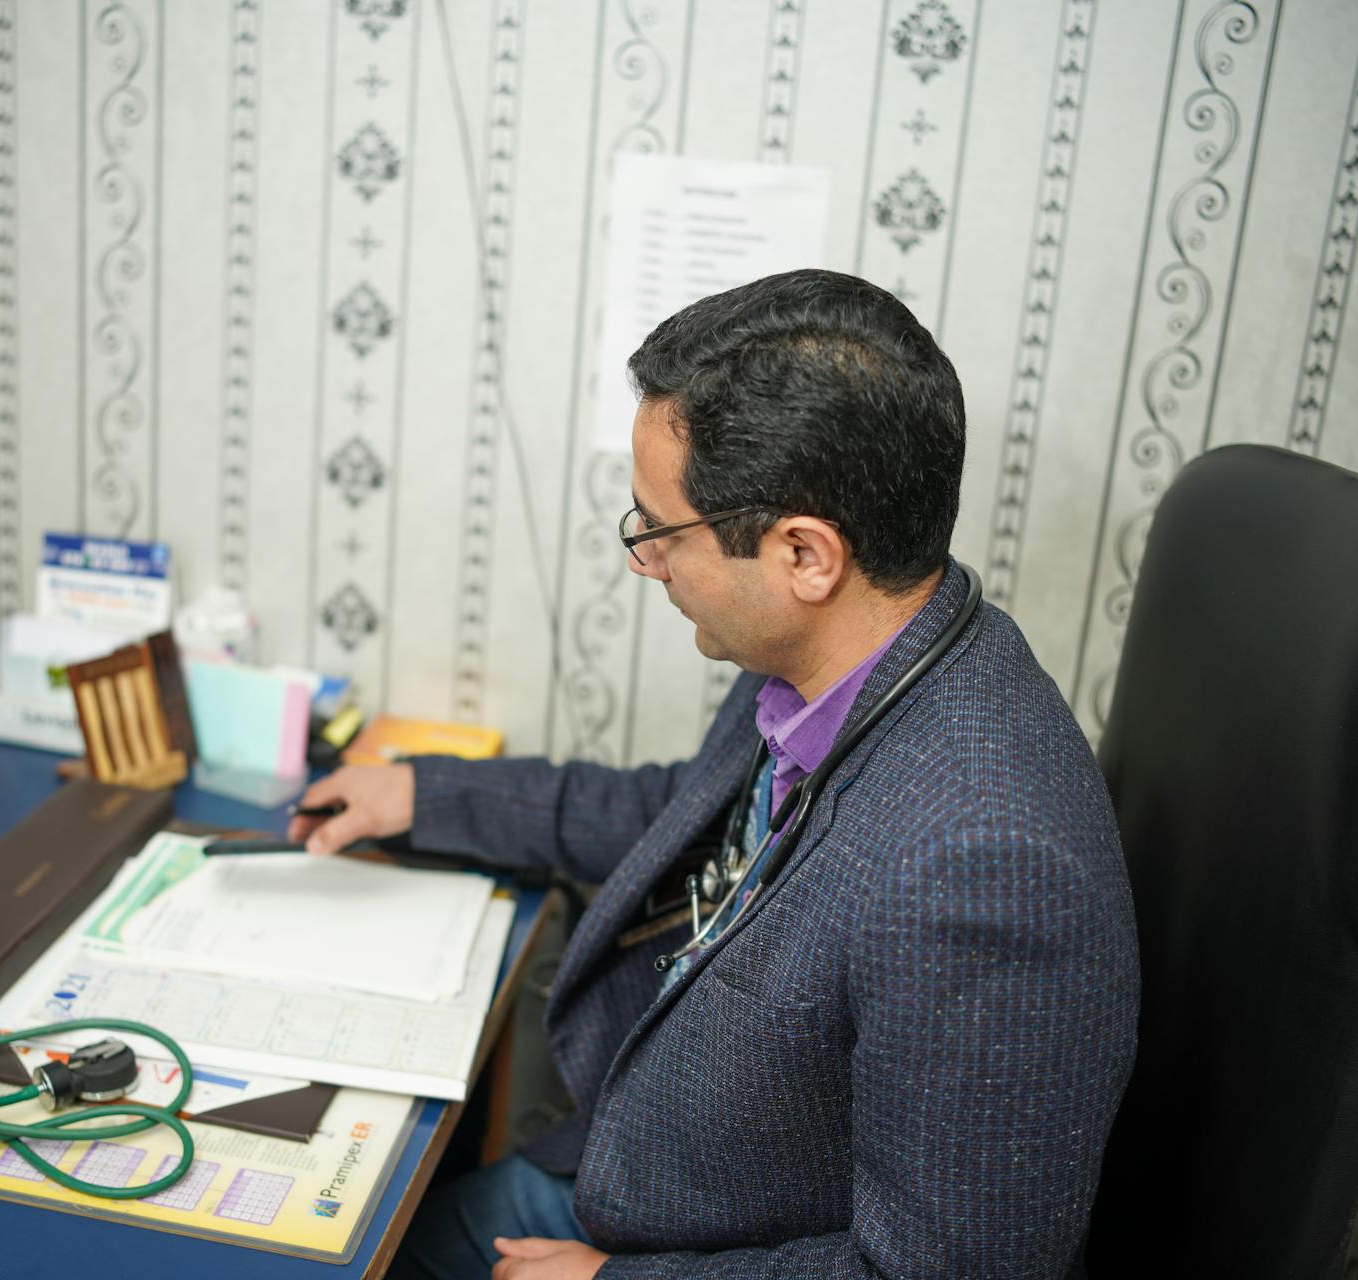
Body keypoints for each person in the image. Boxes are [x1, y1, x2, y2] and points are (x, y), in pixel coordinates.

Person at [289, 269, 1140, 1279]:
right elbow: (682, 816)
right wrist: (428, 793)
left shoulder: (982, 868)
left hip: (700, 1245)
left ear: (804, 554)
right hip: (649, 1163)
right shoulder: (847, 655)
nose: (645, 558)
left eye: (661, 530)